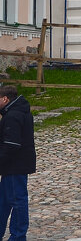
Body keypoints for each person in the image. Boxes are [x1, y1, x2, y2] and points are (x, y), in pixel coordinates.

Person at [0, 85, 35, 239]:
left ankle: (18, 236)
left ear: (5, 99)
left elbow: (11, 145)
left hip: (15, 165)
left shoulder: (13, 115)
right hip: (14, 165)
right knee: (4, 201)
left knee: (17, 201)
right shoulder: (17, 111)